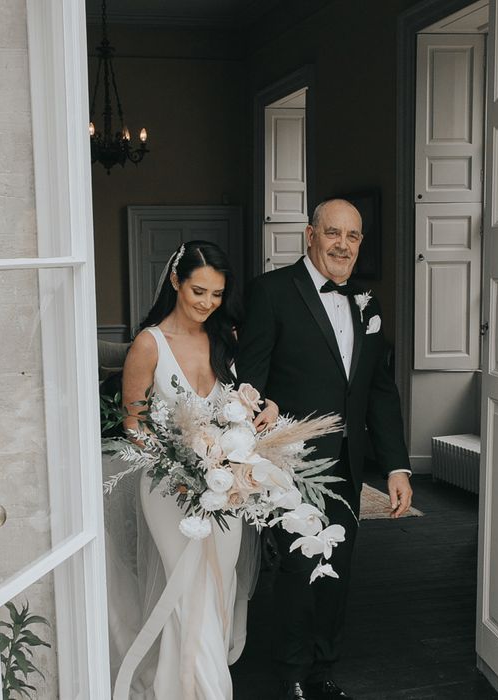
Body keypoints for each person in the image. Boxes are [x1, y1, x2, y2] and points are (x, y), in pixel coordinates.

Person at [236, 199, 413, 700]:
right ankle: (292, 671)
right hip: (291, 460)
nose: (342, 244)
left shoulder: (367, 304)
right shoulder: (270, 293)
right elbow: (250, 379)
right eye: (333, 233)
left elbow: (379, 391)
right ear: (309, 235)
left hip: (349, 463)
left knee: (338, 566)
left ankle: (322, 667)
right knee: (296, 568)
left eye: (352, 236)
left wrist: (396, 466)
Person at [105, 240, 277, 700]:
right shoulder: (149, 344)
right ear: (176, 281)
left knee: (220, 588)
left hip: (224, 488)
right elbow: (133, 422)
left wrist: (264, 409)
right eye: (199, 291)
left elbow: (240, 403)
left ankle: (181, 685)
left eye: (217, 295)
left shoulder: (225, 338)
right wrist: (177, 464)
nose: (207, 303)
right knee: (187, 594)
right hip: (169, 490)